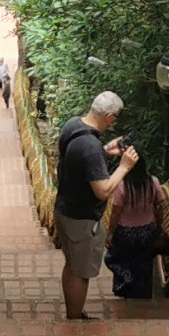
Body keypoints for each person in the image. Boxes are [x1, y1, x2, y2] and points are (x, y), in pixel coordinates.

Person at [54, 91, 139, 321]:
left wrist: (105, 152)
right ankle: (74, 318)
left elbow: (78, 160)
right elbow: (102, 191)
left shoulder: (73, 126)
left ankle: (73, 312)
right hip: (82, 219)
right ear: (110, 117)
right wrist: (124, 166)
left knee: (72, 265)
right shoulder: (91, 146)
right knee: (81, 273)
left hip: (64, 208)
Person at [104, 169, 169, 301]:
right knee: (144, 265)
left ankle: (126, 280)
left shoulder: (122, 185)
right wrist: (158, 227)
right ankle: (142, 297)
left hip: (125, 233)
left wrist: (110, 232)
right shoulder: (153, 182)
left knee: (116, 258)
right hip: (147, 231)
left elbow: (116, 212)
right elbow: (159, 207)